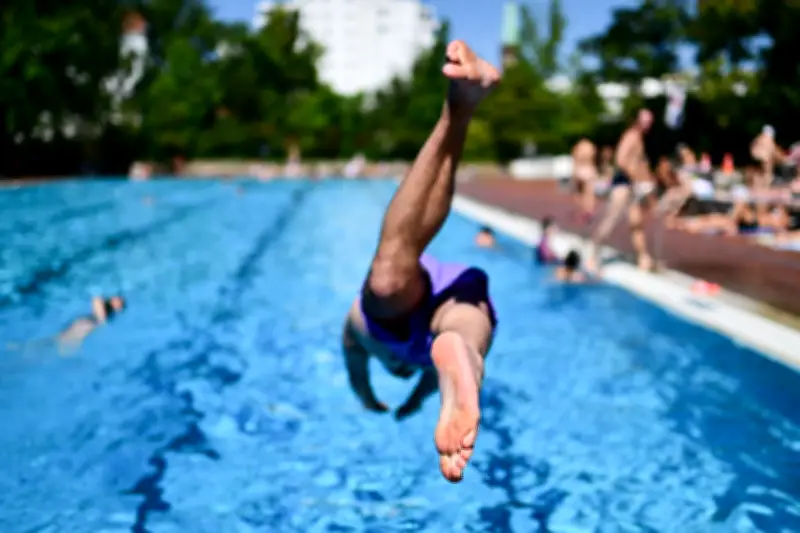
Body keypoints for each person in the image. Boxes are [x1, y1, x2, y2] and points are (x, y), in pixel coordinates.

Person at [341, 40, 500, 484]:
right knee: (446, 323)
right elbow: (355, 368)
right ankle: (460, 105)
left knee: (457, 330)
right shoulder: (366, 342)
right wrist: (379, 395)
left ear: (399, 366)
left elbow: (359, 373)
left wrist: (381, 400)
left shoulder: (373, 341)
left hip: (431, 302)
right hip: (441, 297)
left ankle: (464, 355)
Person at [586, 109, 655, 274]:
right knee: (610, 221)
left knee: (636, 223)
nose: (648, 124)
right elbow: (620, 159)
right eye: (646, 120)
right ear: (638, 121)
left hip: (631, 184)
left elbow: (637, 164)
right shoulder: (631, 136)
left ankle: (643, 258)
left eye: (650, 120)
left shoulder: (639, 138)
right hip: (622, 184)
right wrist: (635, 177)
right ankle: (593, 256)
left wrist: (646, 180)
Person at [7, 296, 126, 355]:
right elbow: (96, 300)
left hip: (79, 332)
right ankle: (20, 348)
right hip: (76, 329)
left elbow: (98, 307)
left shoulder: (104, 318)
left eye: (118, 302)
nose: (115, 301)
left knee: (50, 348)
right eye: (116, 300)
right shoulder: (102, 311)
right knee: (49, 343)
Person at [571, 138, 598, 221]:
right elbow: (593, 160)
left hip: (581, 170)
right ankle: (590, 210)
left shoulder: (578, 147)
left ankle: (584, 210)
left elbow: (576, 161)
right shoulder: (591, 147)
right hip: (590, 169)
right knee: (590, 194)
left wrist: (574, 173)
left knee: (581, 194)